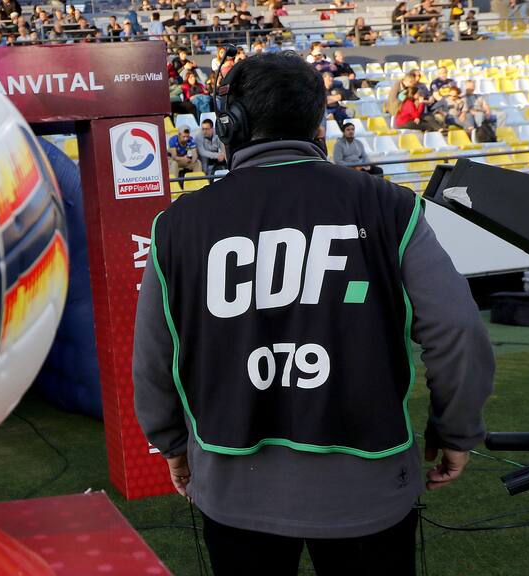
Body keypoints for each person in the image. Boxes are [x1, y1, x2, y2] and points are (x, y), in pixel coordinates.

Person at [134, 52, 493, 576]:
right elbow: (458, 331)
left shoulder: (177, 224)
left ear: (231, 123)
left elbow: (152, 357)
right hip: (369, 490)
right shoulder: (390, 205)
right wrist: (456, 432)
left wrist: (170, 443)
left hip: (234, 487)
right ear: (319, 123)